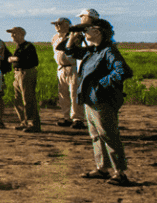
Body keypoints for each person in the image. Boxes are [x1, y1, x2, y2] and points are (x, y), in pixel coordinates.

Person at [57, 18, 134, 185]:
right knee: (96, 136)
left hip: (103, 100)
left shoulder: (108, 51)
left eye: (87, 30)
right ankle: (102, 169)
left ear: (98, 32)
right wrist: (72, 36)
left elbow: (124, 71)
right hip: (90, 99)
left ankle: (120, 173)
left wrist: (101, 84)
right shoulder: (92, 51)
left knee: (109, 135)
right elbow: (68, 51)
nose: (84, 33)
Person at [50, 17, 85, 129]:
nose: (57, 26)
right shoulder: (55, 38)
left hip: (73, 67)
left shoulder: (74, 36)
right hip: (61, 68)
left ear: (68, 25)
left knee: (74, 94)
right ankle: (67, 117)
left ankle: (77, 118)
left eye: (60, 24)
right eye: (55, 24)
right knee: (63, 95)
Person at [6, 26, 41, 133]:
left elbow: (33, 61)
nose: (12, 36)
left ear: (21, 34)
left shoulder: (28, 46)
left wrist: (14, 59)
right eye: (12, 33)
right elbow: (15, 59)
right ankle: (24, 122)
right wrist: (14, 59)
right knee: (18, 99)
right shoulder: (19, 46)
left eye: (14, 33)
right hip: (18, 73)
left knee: (28, 98)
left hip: (26, 72)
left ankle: (33, 123)